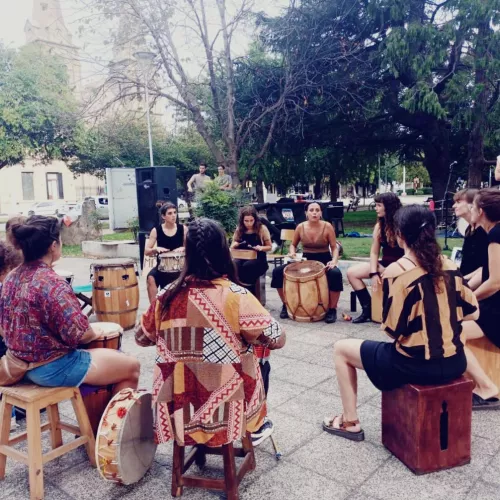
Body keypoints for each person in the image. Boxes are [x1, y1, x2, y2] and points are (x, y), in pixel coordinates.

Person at [323, 205, 479, 441]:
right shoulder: (449, 265)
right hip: (456, 362)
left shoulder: (397, 271)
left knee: (340, 349)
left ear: (400, 235)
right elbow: (473, 312)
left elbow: (393, 331)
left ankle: (350, 422)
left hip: (414, 365)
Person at [134, 217, 286, 447]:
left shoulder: (165, 296)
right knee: (254, 358)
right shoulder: (237, 296)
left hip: (180, 404)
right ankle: (254, 425)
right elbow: (277, 338)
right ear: (223, 252)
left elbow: (141, 337)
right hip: (227, 403)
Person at [0, 216, 140, 393]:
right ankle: (111, 421)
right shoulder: (53, 283)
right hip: (49, 369)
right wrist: (95, 331)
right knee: (131, 366)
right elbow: (82, 335)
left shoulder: (11, 277)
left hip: (16, 364)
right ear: (53, 246)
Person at [271, 202, 343, 324]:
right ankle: (286, 304)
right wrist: (293, 253)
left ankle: (332, 309)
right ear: (306, 213)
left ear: (321, 213)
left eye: (317, 210)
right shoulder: (300, 227)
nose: (314, 212)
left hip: (324, 258)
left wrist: (334, 260)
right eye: (311, 210)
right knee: (277, 271)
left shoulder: (328, 226)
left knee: (335, 274)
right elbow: (293, 245)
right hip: (305, 259)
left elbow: (334, 247)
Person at [461, 189, 500, 408]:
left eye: (473, 206)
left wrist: (469, 300)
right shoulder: (492, 233)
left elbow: (495, 282)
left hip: (495, 310)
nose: (471, 209)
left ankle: (486, 388)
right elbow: (485, 272)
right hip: (491, 306)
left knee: (450, 334)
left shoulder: (495, 234)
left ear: (481, 211)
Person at [347, 192, 404, 323]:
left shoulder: (402, 224)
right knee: (352, 273)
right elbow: (374, 252)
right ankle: (368, 309)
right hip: (384, 264)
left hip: (403, 266)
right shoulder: (379, 226)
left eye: (379, 205)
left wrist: (391, 270)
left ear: (388, 207)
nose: (375, 208)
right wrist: (374, 272)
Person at [145, 202, 186, 303]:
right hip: (162, 266)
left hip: (181, 267)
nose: (173, 216)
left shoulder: (183, 229)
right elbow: (146, 251)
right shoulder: (156, 230)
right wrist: (155, 249)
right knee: (150, 278)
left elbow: (191, 247)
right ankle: (154, 309)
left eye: (175, 213)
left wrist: (184, 248)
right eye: (170, 213)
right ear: (163, 216)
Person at [231, 206, 272, 290]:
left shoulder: (262, 229)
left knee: (248, 266)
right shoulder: (240, 229)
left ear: (255, 219)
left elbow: (269, 247)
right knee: (234, 264)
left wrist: (261, 248)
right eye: (246, 221)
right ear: (242, 220)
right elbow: (232, 245)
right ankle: (238, 288)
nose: (249, 223)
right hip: (242, 256)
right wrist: (235, 244)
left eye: (251, 220)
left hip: (258, 258)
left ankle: (249, 290)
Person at [452, 189, 489, 279]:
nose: (454, 206)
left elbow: (485, 269)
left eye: (458, 202)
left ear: (472, 204)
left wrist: (462, 282)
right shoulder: (469, 229)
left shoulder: (484, 232)